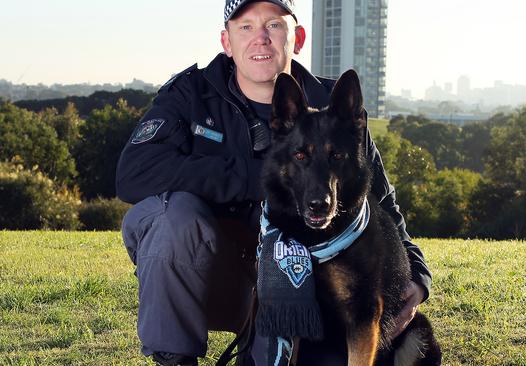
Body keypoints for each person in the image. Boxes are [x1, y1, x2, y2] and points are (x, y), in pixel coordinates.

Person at [116, 0, 432, 365]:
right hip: (212, 268)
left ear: (297, 38)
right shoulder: (190, 96)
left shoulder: (335, 111)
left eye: (274, 26)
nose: (260, 39)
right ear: (226, 41)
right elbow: (133, 174)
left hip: (306, 287)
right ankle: (174, 360)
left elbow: (380, 208)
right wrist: (258, 178)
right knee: (172, 213)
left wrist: (418, 279)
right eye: (246, 27)